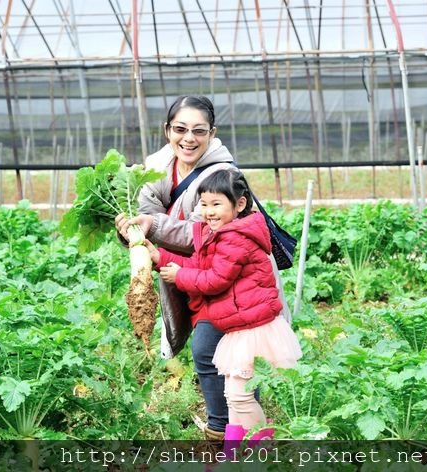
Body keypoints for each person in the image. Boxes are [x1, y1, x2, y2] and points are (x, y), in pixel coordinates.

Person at [114, 95, 291, 442]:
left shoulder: (222, 174)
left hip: (237, 285)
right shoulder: (157, 169)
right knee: (218, 357)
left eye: (198, 130)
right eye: (180, 129)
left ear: (212, 133)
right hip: (205, 281)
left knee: (223, 358)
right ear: (168, 131)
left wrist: (153, 226)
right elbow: (150, 213)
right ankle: (235, 432)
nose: (188, 138)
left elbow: (200, 234)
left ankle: (236, 433)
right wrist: (135, 231)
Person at [146, 168, 301, 453]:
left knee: (240, 396)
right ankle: (236, 452)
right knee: (234, 395)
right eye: (203, 204)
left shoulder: (235, 238)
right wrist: (161, 258)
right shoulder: (220, 233)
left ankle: (260, 451)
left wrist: (179, 276)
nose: (208, 211)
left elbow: (215, 279)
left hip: (252, 328)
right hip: (241, 323)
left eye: (216, 204)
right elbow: (203, 267)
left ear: (239, 204)